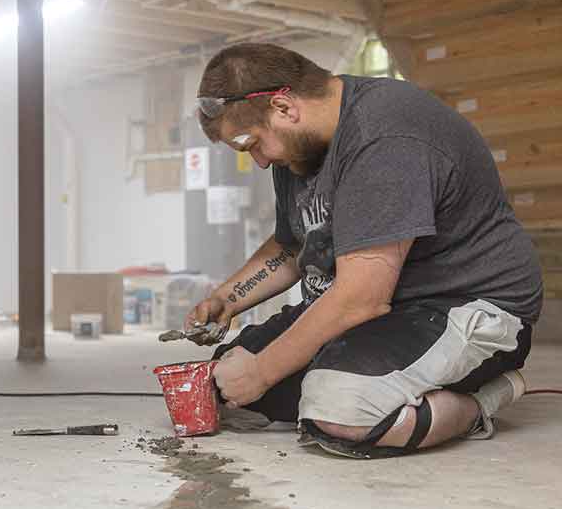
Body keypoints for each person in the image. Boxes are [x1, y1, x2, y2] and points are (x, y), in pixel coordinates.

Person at [186, 43, 543, 459]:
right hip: (376, 306)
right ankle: (364, 383)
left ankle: (482, 400)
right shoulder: (297, 151)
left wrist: (265, 372)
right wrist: (227, 299)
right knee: (223, 382)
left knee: (340, 413)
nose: (261, 161)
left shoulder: (385, 132)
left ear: (284, 107)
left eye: (252, 144)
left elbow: (360, 299)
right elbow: (293, 243)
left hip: (457, 304)